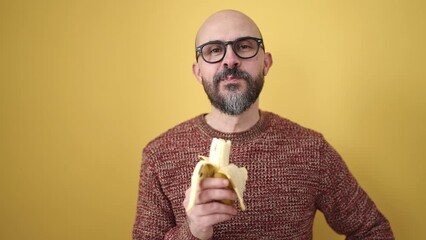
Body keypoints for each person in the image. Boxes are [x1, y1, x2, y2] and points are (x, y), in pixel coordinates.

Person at [132, 9, 394, 240]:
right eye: (214, 50)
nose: (230, 60)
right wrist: (193, 232)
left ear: (266, 63)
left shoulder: (311, 150)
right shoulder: (160, 155)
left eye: (244, 46)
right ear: (198, 72)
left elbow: (373, 230)